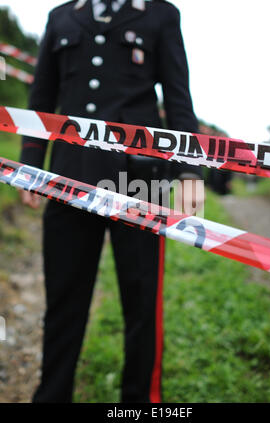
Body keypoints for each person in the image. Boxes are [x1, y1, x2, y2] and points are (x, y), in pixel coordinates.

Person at [19, 0, 203, 403]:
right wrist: (31, 163)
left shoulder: (160, 15)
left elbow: (177, 98)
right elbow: (41, 97)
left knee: (141, 303)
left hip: (139, 183)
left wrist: (189, 172)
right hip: (66, 179)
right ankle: (52, 396)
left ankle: (140, 402)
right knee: (64, 302)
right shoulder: (62, 17)